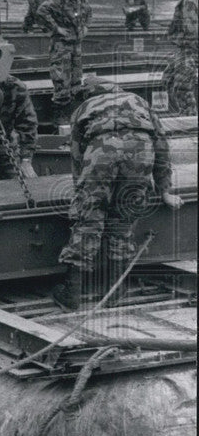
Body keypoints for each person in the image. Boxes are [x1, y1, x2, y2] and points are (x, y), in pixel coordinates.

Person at [53, 78, 182, 310]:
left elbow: (77, 155)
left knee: (89, 220)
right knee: (123, 219)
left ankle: (72, 293)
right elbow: (161, 143)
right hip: (141, 148)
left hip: (101, 149)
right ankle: (115, 292)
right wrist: (164, 190)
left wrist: (82, 195)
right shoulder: (138, 100)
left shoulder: (84, 107)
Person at [37, 0, 93, 105]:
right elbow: (41, 11)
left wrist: (86, 26)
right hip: (61, 45)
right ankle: (60, 109)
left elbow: (89, 12)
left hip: (76, 45)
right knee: (61, 79)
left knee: (76, 78)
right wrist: (57, 29)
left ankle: (74, 107)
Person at [160, 0, 198, 115]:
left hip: (190, 50)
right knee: (168, 78)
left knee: (182, 86)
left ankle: (190, 117)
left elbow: (192, 31)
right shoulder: (188, 1)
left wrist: (190, 55)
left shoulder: (189, 2)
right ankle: (182, 111)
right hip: (184, 50)